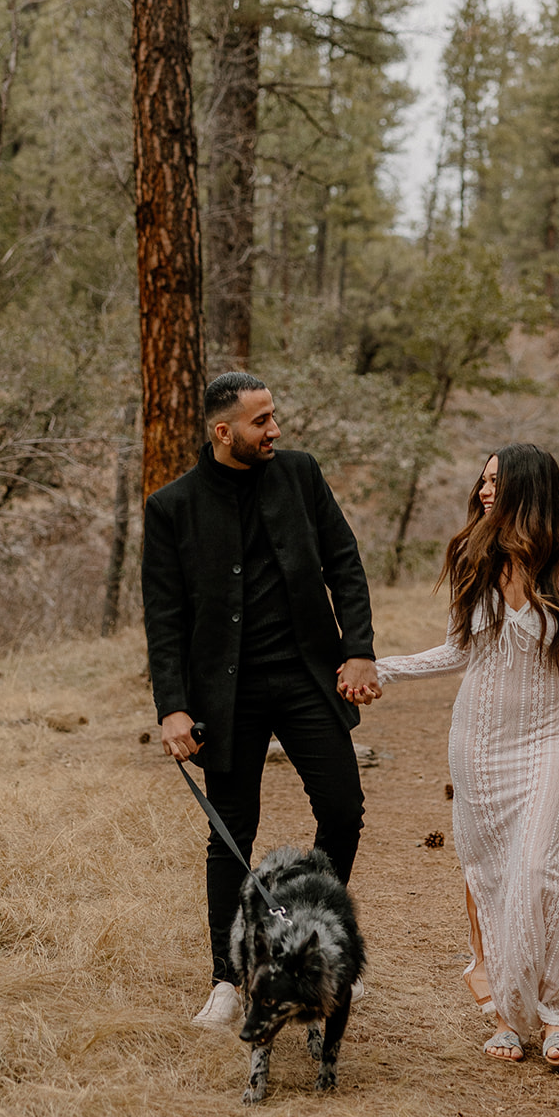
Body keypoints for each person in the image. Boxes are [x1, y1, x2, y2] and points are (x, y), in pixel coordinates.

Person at [346, 444, 559, 1068]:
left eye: (498, 481)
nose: (485, 490)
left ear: (531, 489)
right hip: (478, 739)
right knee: (492, 876)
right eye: (484, 480)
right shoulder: (472, 551)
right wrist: (379, 669)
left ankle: (553, 1013)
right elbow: (457, 652)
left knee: (537, 872)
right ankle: (504, 1009)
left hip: (549, 735)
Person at [142, 371, 380, 1029]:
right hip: (226, 694)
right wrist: (172, 707)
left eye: (273, 416)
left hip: (307, 679)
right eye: (260, 421)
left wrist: (357, 647)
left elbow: (344, 563)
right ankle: (228, 977)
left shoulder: (300, 475)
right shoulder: (172, 508)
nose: (274, 429)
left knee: (342, 809)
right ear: (224, 432)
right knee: (229, 834)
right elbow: (162, 617)